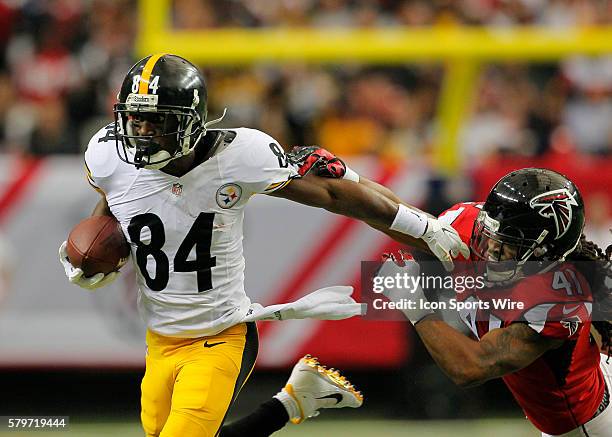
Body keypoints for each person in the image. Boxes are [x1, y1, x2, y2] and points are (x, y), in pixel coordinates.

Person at [58, 53, 468, 437]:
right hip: (159, 337)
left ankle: (292, 403)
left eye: (157, 121)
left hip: (219, 335)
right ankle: (292, 402)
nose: (142, 134)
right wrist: (97, 254)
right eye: (135, 120)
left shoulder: (239, 157)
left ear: (190, 122)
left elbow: (336, 194)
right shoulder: (110, 155)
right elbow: (114, 205)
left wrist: (422, 226)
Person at [375, 168, 612, 436]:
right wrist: (343, 176)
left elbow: (470, 367)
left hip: (586, 424)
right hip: (598, 377)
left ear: (544, 252)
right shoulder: (473, 228)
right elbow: (390, 211)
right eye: (492, 234)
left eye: (510, 242)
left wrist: (412, 299)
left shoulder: (557, 300)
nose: (489, 248)